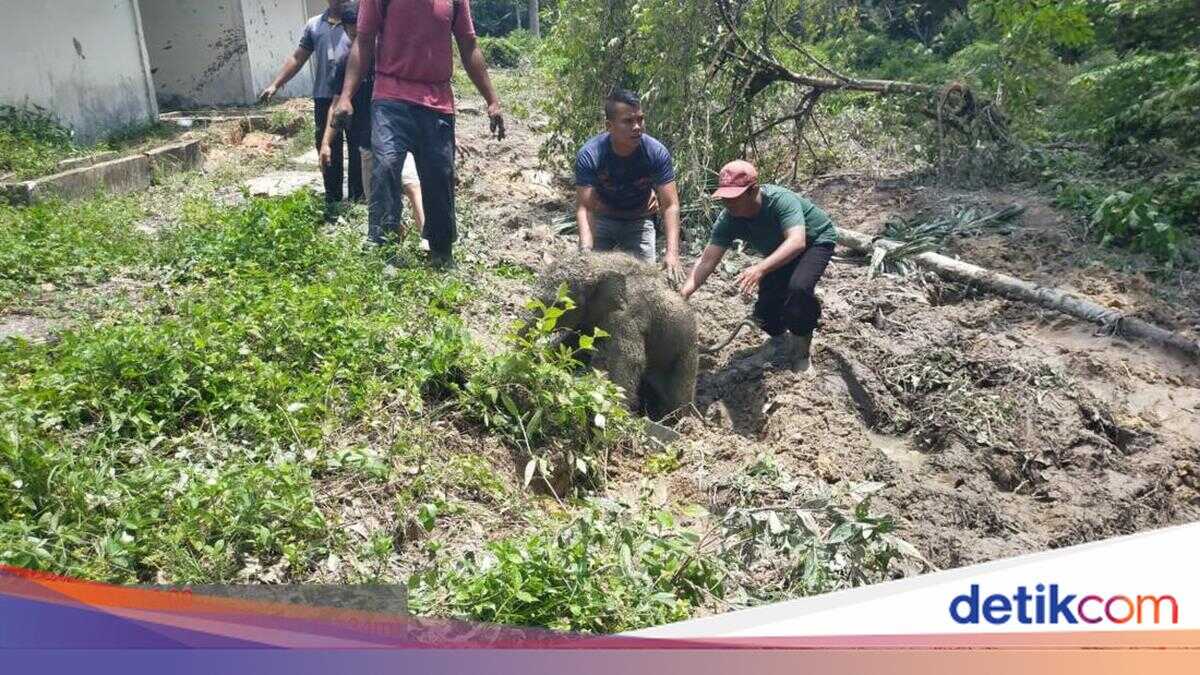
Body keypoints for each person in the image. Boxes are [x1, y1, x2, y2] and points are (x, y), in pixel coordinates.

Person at [335, 0, 506, 268]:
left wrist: (492, 99)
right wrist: (346, 96)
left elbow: (468, 44)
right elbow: (364, 40)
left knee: (439, 175)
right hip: (390, 96)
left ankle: (441, 251)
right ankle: (384, 250)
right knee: (386, 166)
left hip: (437, 102)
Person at [679, 160, 839, 372]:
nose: (728, 204)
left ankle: (801, 351)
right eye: (724, 198)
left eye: (734, 198)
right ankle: (779, 342)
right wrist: (683, 294)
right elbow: (707, 261)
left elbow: (797, 242)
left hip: (814, 240)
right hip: (780, 248)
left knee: (799, 290)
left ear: (753, 190)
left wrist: (760, 268)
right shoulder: (728, 219)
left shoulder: (780, 201)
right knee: (766, 307)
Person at [318, 10, 426, 246]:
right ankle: (394, 239)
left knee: (411, 184)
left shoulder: (390, 58)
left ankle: (427, 240)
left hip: (396, 136)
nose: (359, 37)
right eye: (352, 33)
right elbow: (336, 105)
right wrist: (326, 142)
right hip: (367, 142)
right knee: (377, 200)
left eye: (362, 31)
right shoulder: (345, 64)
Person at [574, 89, 684, 283]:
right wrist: (585, 252)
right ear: (609, 126)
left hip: (639, 220)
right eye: (628, 121)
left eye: (640, 119)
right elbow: (585, 208)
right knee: (589, 278)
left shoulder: (656, 153)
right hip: (603, 218)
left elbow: (670, 205)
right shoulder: (591, 154)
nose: (637, 127)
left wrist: (672, 253)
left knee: (645, 283)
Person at [260, 0, 362, 204]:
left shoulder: (358, 21)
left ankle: (357, 199)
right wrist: (275, 84)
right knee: (327, 147)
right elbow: (298, 57)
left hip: (355, 96)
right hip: (325, 96)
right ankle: (333, 200)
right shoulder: (314, 25)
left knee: (358, 147)